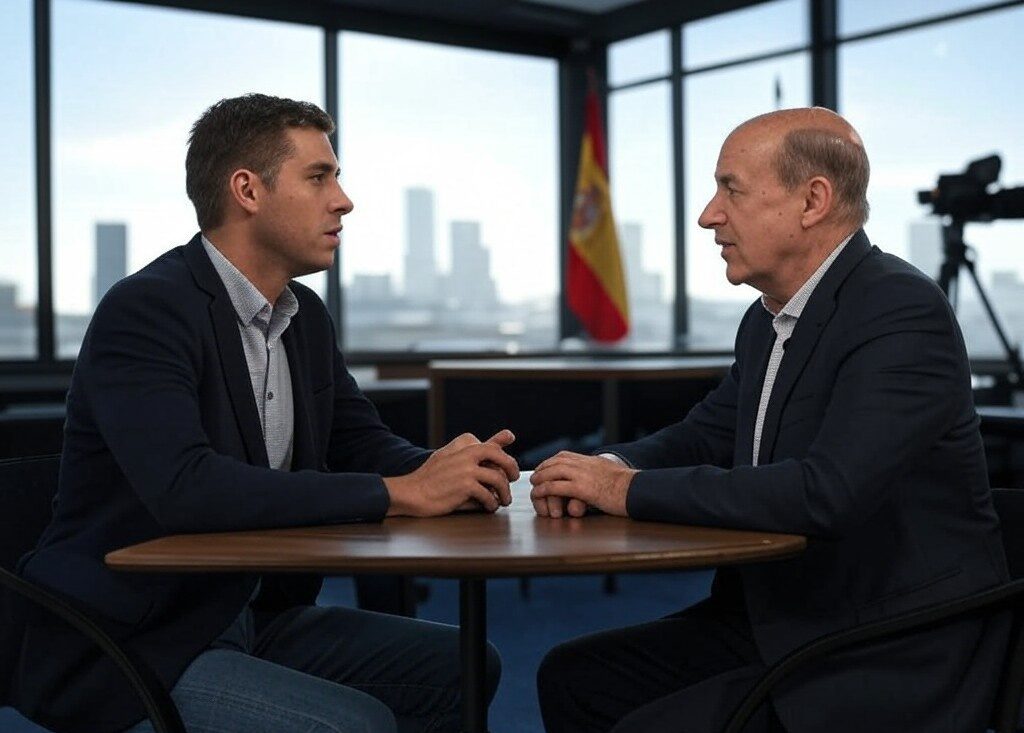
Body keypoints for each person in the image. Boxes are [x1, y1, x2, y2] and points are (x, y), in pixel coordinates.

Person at [14, 94, 518, 733]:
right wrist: (403, 493)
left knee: (464, 665)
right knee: (353, 725)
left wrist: (449, 470)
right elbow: (187, 489)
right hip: (136, 638)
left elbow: (361, 443)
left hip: (253, 613)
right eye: (319, 177)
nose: (343, 200)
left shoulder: (304, 317)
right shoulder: (145, 310)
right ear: (247, 190)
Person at [530, 107, 1009, 733]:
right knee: (574, 678)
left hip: (885, 645)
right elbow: (707, 434)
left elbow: (826, 492)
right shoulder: (766, 319)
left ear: (812, 201)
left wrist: (624, 491)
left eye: (730, 189)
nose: (708, 215)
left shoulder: (899, 308)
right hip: (779, 619)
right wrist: (605, 467)